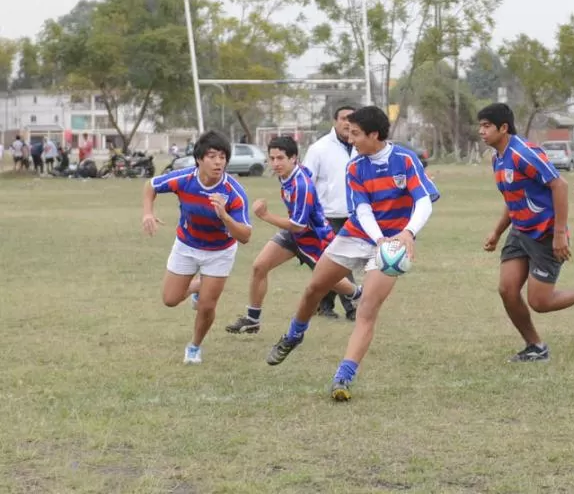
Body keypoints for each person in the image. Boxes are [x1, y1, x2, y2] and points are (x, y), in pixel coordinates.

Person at [266, 106, 439, 402]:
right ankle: (294, 334)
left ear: (374, 134)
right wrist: (379, 238)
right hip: (358, 234)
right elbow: (362, 209)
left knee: (367, 309)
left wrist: (406, 233)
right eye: (349, 133)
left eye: (356, 133)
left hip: (395, 244)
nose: (352, 139)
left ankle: (343, 377)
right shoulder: (355, 166)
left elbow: (424, 200)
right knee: (314, 289)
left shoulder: (405, 159)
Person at [477, 103, 574, 363]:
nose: (481, 131)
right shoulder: (497, 158)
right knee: (507, 290)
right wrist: (496, 232)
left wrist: (560, 233)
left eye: (486, 126)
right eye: (480, 126)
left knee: (540, 302)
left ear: (503, 128)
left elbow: (559, 185)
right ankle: (535, 346)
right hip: (520, 231)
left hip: (545, 234)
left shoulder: (523, 153)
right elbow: (514, 197)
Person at [224, 136, 359, 335]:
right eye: (272, 158)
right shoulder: (288, 174)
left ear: (294, 158)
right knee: (259, 266)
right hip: (295, 235)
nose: (276, 163)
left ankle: (360, 294)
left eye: (280, 158)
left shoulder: (301, 185)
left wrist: (265, 215)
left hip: (314, 239)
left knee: (332, 282)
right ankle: (252, 320)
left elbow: (298, 225)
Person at [142, 130, 252, 364]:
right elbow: (150, 185)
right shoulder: (184, 180)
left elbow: (245, 236)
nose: (218, 162)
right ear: (199, 159)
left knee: (207, 306)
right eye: (212, 156)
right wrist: (147, 213)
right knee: (170, 299)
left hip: (219, 251)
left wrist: (225, 216)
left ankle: (194, 346)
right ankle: (200, 285)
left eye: (222, 157)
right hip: (186, 244)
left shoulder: (234, 193)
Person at [302, 105, 359, 320]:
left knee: (334, 263)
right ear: (335, 121)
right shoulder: (319, 149)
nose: (348, 123)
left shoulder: (359, 146)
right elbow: (307, 182)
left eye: (352, 119)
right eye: (344, 118)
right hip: (326, 215)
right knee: (340, 262)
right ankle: (353, 307)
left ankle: (324, 306)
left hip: (354, 214)